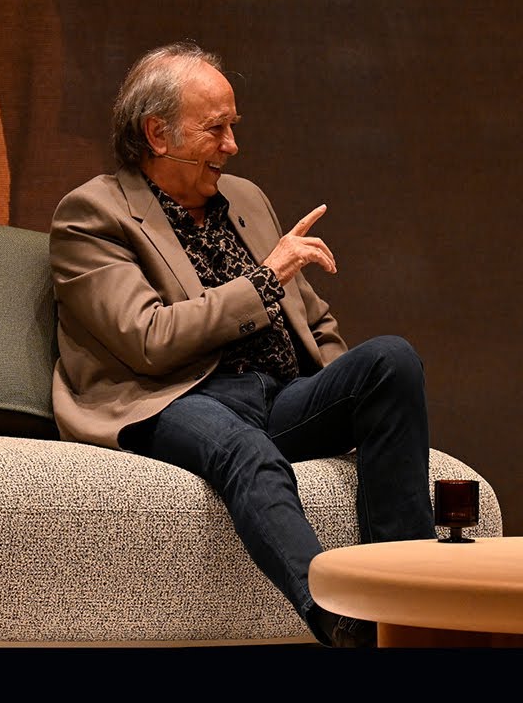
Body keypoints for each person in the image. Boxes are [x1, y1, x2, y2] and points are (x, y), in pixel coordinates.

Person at [49, 40, 435, 647]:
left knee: (390, 360)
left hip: (278, 392)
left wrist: (343, 400)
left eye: (234, 126)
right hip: (173, 396)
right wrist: (265, 279)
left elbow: (317, 322)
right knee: (244, 449)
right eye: (216, 129)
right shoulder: (91, 217)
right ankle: (342, 622)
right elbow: (150, 340)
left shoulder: (246, 200)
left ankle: (411, 608)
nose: (233, 145)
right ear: (157, 134)